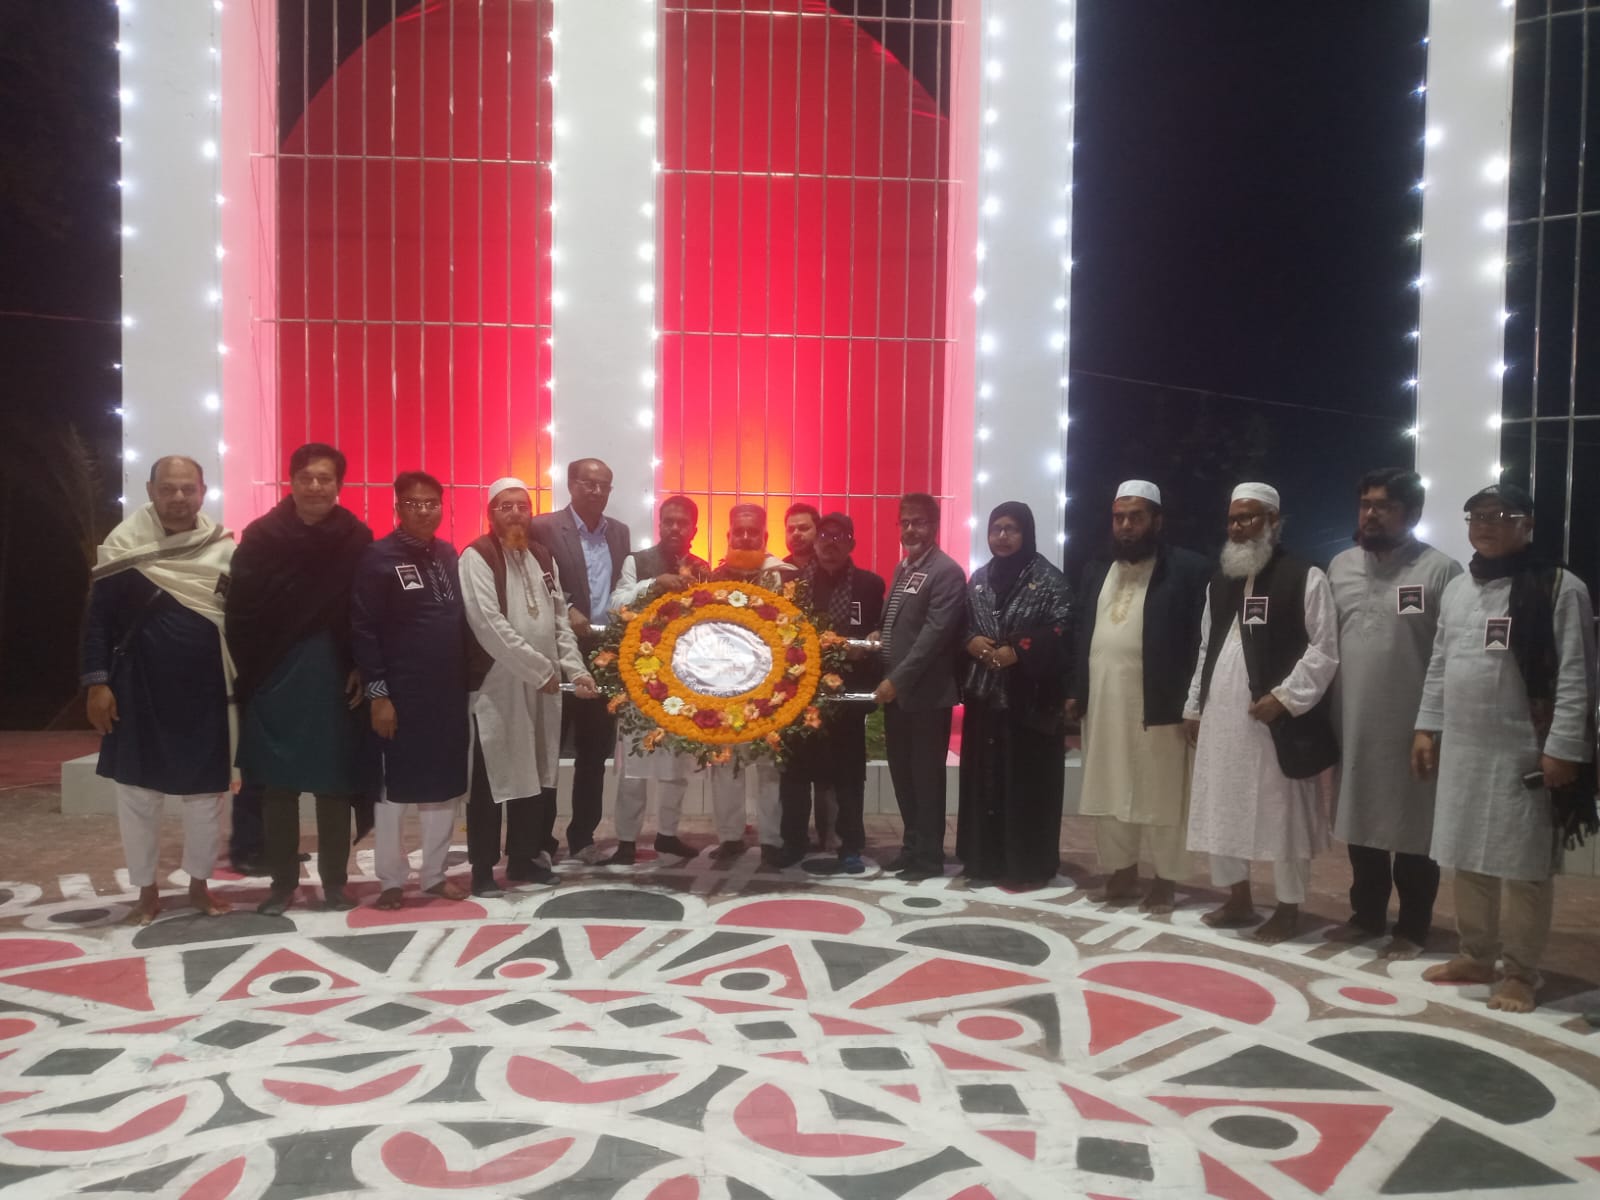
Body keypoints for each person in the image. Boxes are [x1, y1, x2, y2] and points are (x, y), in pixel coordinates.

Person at [1413, 483, 1595, 1013]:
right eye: (1477, 516)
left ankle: (1520, 972)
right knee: (1468, 858)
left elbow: (1577, 675)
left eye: (1500, 516)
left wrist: (1563, 748)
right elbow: (1440, 663)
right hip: (1465, 748)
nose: (1486, 525)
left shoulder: (1560, 587)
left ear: (1527, 525)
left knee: (1524, 867)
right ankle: (1475, 956)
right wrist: (1426, 727)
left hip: (1525, 750)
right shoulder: (1459, 589)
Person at [81, 455, 235, 925]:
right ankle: (146, 890)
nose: (178, 498)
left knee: (206, 796)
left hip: (206, 691)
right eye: (168, 489)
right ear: (150, 491)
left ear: (203, 492)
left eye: (188, 488)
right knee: (137, 795)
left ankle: (199, 885)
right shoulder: (124, 547)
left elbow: (241, 620)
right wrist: (97, 683)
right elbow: (97, 622)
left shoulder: (222, 549)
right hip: (137, 688)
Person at [1184, 483, 1339, 942]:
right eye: (1233, 519)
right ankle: (1238, 898)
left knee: (1282, 814)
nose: (1238, 527)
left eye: (1248, 518)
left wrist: (1285, 698)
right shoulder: (1222, 580)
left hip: (1276, 722)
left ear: (1273, 521)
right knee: (1224, 805)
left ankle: (1289, 907)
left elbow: (1324, 649)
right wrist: (1194, 706)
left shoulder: (1304, 575)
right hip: (1222, 718)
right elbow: (1206, 648)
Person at [227, 443, 374, 915]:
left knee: (334, 785)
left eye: (325, 478)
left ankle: (335, 883)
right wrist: (255, 671)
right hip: (273, 674)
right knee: (278, 786)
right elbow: (240, 612)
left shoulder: (356, 538)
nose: (315, 487)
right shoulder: (262, 536)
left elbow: (365, 610)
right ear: (291, 481)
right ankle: (281, 883)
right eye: (306, 477)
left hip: (333, 675)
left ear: (339, 485)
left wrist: (361, 664)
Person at [1327, 469, 1462, 958]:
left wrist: (1434, 723)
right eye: (1366, 504)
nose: (1371, 514)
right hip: (1353, 722)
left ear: (1414, 513)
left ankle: (1413, 926)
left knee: (1413, 828)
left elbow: (1451, 654)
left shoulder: (1441, 571)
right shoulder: (1340, 567)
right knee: (1359, 818)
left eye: (1384, 506)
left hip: (1414, 727)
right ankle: (1365, 916)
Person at [1068, 481, 1210, 913]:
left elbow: (1202, 640)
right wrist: (1076, 691)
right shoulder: (1097, 568)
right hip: (1104, 703)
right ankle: (1121, 872)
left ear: (1157, 521)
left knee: (1163, 795)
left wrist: (1194, 703)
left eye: (1136, 517)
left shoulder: (1188, 569)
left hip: (1160, 705)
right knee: (1109, 790)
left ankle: (1166, 879)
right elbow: (1081, 632)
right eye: (1119, 518)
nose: (1126, 526)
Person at [462, 478, 598, 895]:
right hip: (499, 686)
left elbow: (559, 621)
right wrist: (540, 669)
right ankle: (483, 868)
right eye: (506, 506)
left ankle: (523, 859)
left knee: (536, 772)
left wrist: (576, 670)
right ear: (491, 513)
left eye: (522, 506)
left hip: (545, 685)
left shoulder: (541, 556)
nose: (516, 514)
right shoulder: (477, 556)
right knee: (492, 777)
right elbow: (488, 624)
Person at [351, 472, 471, 909]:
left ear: (442, 507)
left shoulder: (449, 554)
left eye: (431, 503)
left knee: (443, 787)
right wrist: (378, 694)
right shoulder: (378, 557)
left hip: (447, 694)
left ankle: (434, 875)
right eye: (413, 504)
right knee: (393, 793)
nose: (424, 511)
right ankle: (391, 880)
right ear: (398, 508)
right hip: (399, 696)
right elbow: (363, 628)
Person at [955, 502, 1074, 889]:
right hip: (985, 699)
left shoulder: (1050, 580)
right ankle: (983, 859)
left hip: (1030, 703)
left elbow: (1063, 630)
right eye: (996, 529)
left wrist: (1020, 650)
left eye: (1011, 529)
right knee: (985, 778)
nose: (1002, 537)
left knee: (1026, 782)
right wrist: (970, 641)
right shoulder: (978, 579)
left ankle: (1027, 864)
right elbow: (960, 623)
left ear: (1027, 533)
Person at [530, 458, 630, 863]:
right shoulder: (543, 527)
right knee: (550, 748)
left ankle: (583, 836)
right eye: (589, 483)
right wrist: (568, 606)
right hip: (559, 648)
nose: (597, 491)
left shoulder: (619, 532)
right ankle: (540, 839)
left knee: (595, 751)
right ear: (571, 484)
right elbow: (532, 578)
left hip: (606, 653)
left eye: (604, 485)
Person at [603, 494, 712, 866]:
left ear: (693, 529)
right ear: (660, 524)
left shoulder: (702, 569)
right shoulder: (636, 561)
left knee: (678, 763)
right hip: (641, 676)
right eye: (669, 521)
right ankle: (626, 841)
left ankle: (667, 835)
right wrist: (654, 585)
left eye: (682, 522)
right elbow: (615, 605)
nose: (675, 528)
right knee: (634, 765)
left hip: (684, 679)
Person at [777, 512, 886, 872]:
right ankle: (793, 842)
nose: (830, 544)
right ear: (816, 541)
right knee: (795, 774)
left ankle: (849, 845)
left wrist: (871, 640)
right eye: (824, 537)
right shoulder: (794, 584)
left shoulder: (870, 585)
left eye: (839, 538)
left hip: (847, 695)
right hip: (801, 692)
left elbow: (878, 629)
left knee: (848, 775)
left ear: (852, 543)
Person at [874, 492, 967, 881]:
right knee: (903, 776)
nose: (911, 529)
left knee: (926, 780)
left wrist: (896, 680)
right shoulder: (905, 567)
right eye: (905, 522)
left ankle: (929, 857)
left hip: (926, 696)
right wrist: (880, 635)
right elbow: (901, 623)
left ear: (935, 526)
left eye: (919, 522)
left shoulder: (946, 572)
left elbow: (933, 636)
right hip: (899, 697)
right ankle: (912, 847)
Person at [707, 503, 798, 861]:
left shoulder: (785, 577)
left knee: (769, 763)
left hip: (770, 685)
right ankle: (729, 837)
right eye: (739, 532)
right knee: (724, 760)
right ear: (729, 535)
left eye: (753, 532)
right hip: (723, 683)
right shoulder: (712, 579)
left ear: (765, 536)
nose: (745, 538)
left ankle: (772, 839)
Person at [783, 502, 822, 571]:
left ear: (818, 531)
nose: (795, 534)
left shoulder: (830, 568)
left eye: (803, 528)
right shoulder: (778, 570)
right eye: (791, 529)